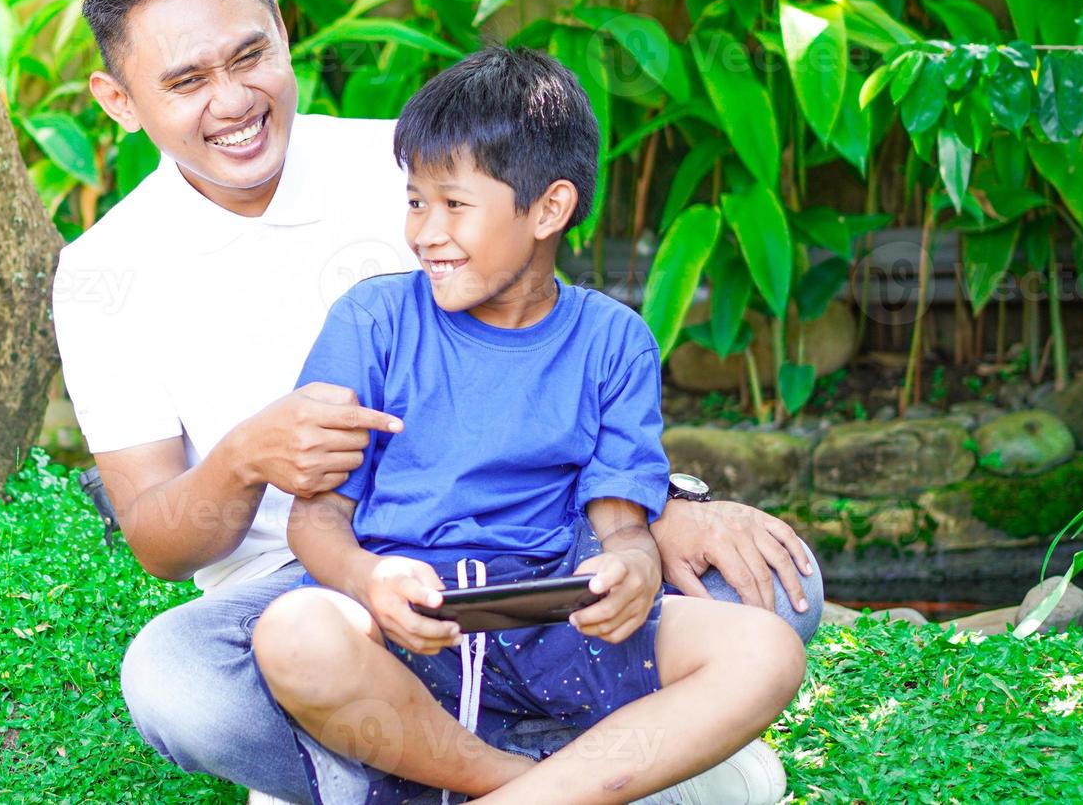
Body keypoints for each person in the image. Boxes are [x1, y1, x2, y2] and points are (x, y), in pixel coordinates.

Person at [52, 0, 824, 804]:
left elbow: (554, 354)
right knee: (175, 681)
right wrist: (241, 460)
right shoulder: (105, 271)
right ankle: (558, 777)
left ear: (283, 31)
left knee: (776, 595)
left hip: (529, 543)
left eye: (248, 56)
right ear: (119, 101)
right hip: (321, 585)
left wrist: (654, 513)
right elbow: (156, 540)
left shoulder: (411, 164)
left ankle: (398, 769)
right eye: (186, 80)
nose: (231, 102)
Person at [254, 46, 805, 805]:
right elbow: (317, 523)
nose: (425, 233)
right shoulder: (371, 322)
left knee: (766, 650)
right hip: (413, 639)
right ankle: (540, 786)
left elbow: (622, 525)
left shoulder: (613, 340)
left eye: (454, 204)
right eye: (416, 201)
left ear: (548, 208)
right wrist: (367, 578)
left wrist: (636, 571)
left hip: (559, 628)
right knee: (294, 633)